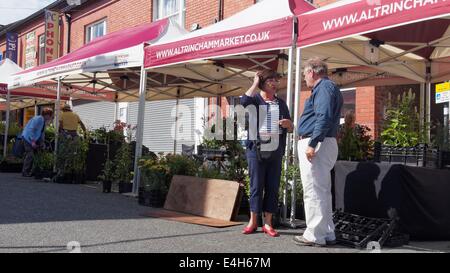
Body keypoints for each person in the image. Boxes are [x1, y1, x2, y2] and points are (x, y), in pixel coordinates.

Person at [293, 57, 343, 247]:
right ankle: (326, 232)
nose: (305, 79)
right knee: (321, 190)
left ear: (312, 72)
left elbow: (323, 116)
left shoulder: (323, 88)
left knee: (313, 190)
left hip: (317, 142)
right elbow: (324, 116)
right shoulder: (328, 87)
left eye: (304, 74)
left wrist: (313, 143)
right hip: (325, 141)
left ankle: (314, 234)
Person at [240, 69, 294, 237]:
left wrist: (288, 124)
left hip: (275, 149)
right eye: (270, 80)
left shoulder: (281, 103)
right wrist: (255, 83)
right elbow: (243, 102)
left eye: (276, 80)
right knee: (256, 186)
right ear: (263, 83)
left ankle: (268, 223)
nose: (274, 83)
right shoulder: (255, 100)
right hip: (256, 150)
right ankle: (253, 221)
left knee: (272, 186)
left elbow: (290, 127)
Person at [21, 108, 54, 177]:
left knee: (37, 154)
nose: (51, 117)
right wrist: (33, 142)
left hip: (33, 138)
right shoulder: (38, 119)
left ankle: (32, 171)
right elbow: (31, 129)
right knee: (30, 154)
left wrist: (42, 143)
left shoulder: (44, 121)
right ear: (47, 115)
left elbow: (42, 133)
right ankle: (25, 172)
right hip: (27, 138)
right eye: (51, 116)